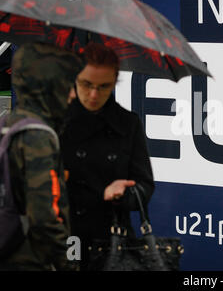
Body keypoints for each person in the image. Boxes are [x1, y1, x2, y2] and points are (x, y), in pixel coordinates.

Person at [61, 43, 155, 270]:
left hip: (112, 240)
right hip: (65, 237)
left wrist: (122, 194)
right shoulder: (56, 122)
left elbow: (145, 185)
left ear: (114, 83)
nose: (94, 94)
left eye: (104, 87)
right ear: (74, 79)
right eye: (86, 84)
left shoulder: (127, 123)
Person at [0, 42, 84, 270]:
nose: (73, 95)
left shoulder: (7, 123)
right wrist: (66, 264)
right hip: (26, 260)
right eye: (67, 85)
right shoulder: (38, 136)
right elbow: (43, 218)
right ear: (50, 86)